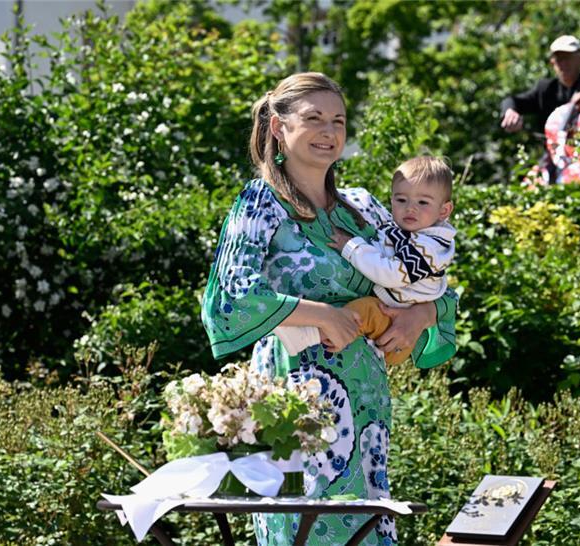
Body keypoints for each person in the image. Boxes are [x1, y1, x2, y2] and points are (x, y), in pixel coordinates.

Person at [201, 72, 459, 545]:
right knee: (301, 525)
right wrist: (322, 314)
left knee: (365, 524)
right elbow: (231, 296)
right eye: (314, 119)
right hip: (291, 397)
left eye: (338, 121)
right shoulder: (260, 202)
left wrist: (422, 315)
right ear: (278, 127)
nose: (329, 131)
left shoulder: (362, 208)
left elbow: (430, 278)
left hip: (365, 398)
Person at [273, 156, 456, 366]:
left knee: (364, 312)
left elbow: (392, 273)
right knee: (365, 310)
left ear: (444, 211)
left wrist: (352, 247)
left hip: (393, 327)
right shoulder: (406, 230)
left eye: (423, 202)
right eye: (401, 200)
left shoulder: (429, 246)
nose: (410, 208)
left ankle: (310, 335)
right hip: (385, 317)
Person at [500, 35, 580, 183]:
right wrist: (510, 112)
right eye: (558, 59)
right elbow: (512, 100)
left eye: (568, 58)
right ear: (552, 63)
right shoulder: (546, 89)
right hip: (555, 161)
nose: (563, 64)